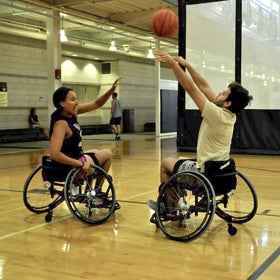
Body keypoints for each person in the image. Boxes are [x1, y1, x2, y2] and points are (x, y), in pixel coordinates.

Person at [147, 50, 253, 211]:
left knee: (165, 164)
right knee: (181, 159)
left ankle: (170, 208)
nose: (218, 92)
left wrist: (173, 64)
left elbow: (190, 87)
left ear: (228, 103)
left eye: (223, 93)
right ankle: (176, 195)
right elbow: (203, 85)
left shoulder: (216, 114)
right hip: (218, 172)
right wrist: (187, 65)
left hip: (204, 175)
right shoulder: (228, 115)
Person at [49, 77, 121, 202]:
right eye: (72, 100)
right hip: (71, 166)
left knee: (96, 151)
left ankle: (93, 190)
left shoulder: (71, 113)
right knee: (108, 154)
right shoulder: (61, 124)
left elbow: (96, 104)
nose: (77, 103)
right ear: (62, 103)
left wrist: (111, 91)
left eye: (76, 99)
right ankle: (96, 192)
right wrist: (79, 164)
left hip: (74, 157)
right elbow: (54, 154)